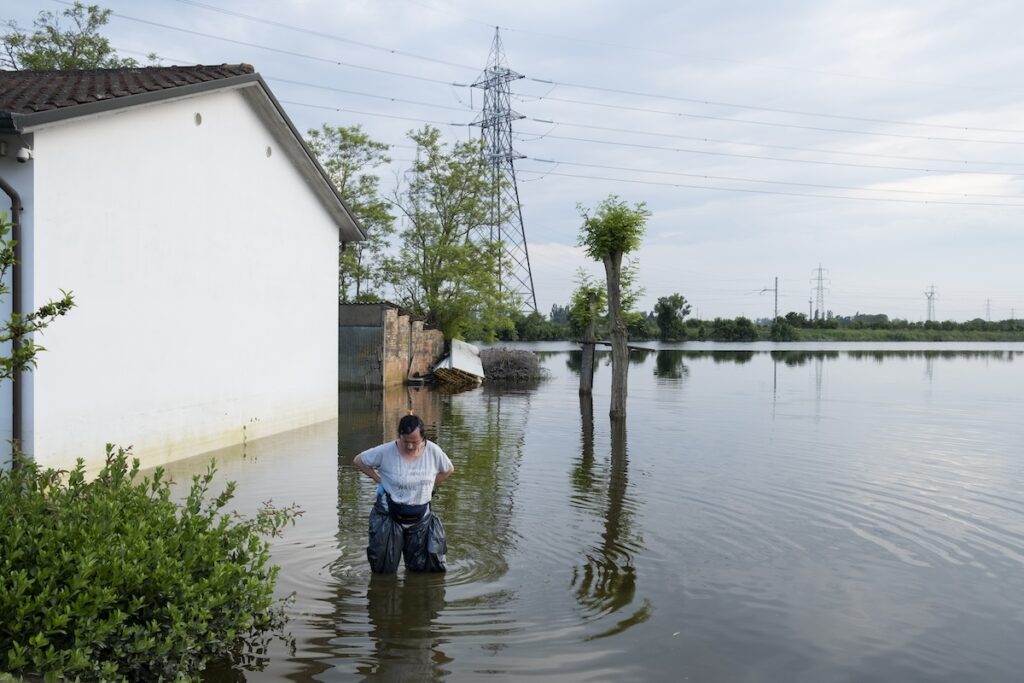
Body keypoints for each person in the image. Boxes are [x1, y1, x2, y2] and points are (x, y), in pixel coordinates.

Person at [353, 415, 454, 573]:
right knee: (383, 569)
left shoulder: (433, 451)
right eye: (405, 441)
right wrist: (378, 479)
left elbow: (448, 469)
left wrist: (431, 484)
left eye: (415, 442)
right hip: (390, 515)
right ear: (399, 436)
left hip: (421, 517)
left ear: (423, 438)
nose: (410, 446)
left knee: (422, 570)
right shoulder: (386, 451)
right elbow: (359, 460)